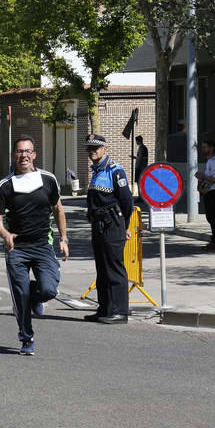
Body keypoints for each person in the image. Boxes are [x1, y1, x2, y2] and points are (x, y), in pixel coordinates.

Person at [0, 136, 68, 355]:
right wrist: (5, 234)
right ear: (14, 155)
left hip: (43, 245)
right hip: (17, 249)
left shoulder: (48, 179)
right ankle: (26, 338)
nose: (23, 155)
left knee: (48, 289)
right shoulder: (5, 185)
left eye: (27, 151)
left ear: (34, 154)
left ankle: (36, 294)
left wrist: (63, 239)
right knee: (20, 296)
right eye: (19, 151)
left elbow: (59, 209)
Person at [84, 134, 134, 324]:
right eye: (89, 148)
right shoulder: (96, 170)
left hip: (113, 223)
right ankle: (105, 308)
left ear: (105, 149)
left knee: (114, 269)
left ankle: (120, 312)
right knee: (102, 269)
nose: (92, 151)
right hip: (99, 225)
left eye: (95, 148)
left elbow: (127, 202)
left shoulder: (115, 171)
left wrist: (125, 226)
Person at [195, 139, 215, 252]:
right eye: (202, 147)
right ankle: (214, 241)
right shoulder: (210, 161)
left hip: (214, 192)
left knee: (214, 217)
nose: (203, 149)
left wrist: (202, 176)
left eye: (205, 147)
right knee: (210, 217)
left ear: (211, 148)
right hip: (208, 191)